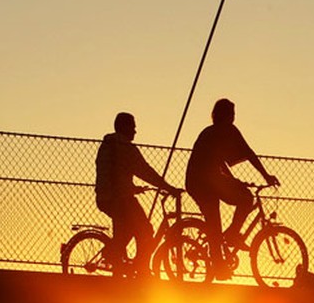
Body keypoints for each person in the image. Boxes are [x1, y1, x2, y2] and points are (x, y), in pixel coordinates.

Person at [185, 98, 279, 279]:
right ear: (226, 116)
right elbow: (248, 152)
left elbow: (219, 162)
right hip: (203, 182)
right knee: (234, 206)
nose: (233, 118)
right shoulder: (225, 131)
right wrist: (266, 176)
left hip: (204, 181)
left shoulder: (211, 132)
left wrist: (234, 180)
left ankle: (227, 244)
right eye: (232, 114)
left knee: (225, 213)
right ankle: (228, 244)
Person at [95, 111, 181, 276]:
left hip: (106, 197)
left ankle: (115, 258)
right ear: (124, 127)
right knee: (146, 230)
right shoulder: (125, 147)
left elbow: (112, 174)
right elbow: (144, 170)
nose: (135, 131)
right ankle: (141, 267)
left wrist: (132, 187)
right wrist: (169, 188)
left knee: (126, 232)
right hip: (120, 199)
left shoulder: (108, 145)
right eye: (133, 127)